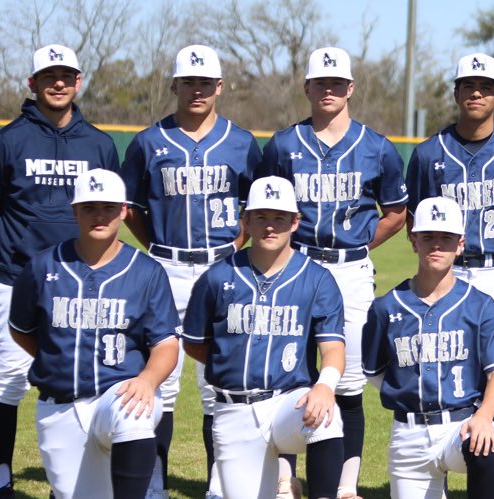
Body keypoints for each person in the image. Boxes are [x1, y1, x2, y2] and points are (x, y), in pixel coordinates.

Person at [0, 43, 120, 498]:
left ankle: (72, 484)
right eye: (48, 76)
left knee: (80, 380)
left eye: (66, 75)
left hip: (83, 284)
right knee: (11, 379)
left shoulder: (98, 143)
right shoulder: (6, 141)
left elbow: (112, 212)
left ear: (78, 82)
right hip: (17, 281)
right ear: (31, 84)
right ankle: (0, 480)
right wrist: (12, 254)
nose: (58, 82)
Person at [259, 47, 410, 498]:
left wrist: (362, 243)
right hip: (295, 266)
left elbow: (397, 212)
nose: (328, 90)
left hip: (349, 269)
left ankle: (345, 487)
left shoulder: (376, 146)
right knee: (286, 372)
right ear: (306, 87)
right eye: (320, 83)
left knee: (347, 382)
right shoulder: (284, 145)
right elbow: (267, 206)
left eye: (336, 83)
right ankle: (285, 477)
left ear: (350, 88)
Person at [118, 44, 262, 497]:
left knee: (218, 385)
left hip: (223, 269)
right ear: (174, 85)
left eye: (205, 82)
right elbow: (132, 209)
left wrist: (234, 248)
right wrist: (159, 250)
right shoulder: (147, 142)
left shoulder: (242, 143)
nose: (196, 90)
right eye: (188, 82)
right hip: (165, 266)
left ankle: (218, 484)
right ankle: (152, 484)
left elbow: (257, 210)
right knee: (159, 382)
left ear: (218, 86)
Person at [405, 53, 494, 481]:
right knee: (442, 375)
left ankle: (491, 485)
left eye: (485, 87)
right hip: (445, 275)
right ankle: (436, 475)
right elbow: (416, 222)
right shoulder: (430, 152)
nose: (476, 93)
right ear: (456, 93)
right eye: (468, 86)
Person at [7, 169, 180, 498]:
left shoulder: (146, 271)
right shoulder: (43, 267)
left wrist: (147, 380)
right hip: (60, 405)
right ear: (74, 211)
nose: (99, 216)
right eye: (89, 207)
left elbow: (166, 345)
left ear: (124, 211)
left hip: (120, 394)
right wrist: (58, 357)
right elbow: (23, 331)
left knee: (133, 413)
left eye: (108, 207)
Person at [180, 177, 346, 499]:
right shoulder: (217, 277)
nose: (271, 227)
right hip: (234, 410)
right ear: (246, 221)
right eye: (261, 217)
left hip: (288, 403)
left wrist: (325, 386)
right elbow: (194, 342)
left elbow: (333, 348)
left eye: (280, 217)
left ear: (295, 221)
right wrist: (231, 359)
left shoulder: (317, 279)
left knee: (328, 415)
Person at [362, 197, 494, 499]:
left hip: (461, 426)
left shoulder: (481, 306)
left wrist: (483, 417)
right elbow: (375, 371)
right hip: (409, 433)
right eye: (428, 237)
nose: (437, 246)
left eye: (446, 238)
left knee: (483, 445)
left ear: (460, 244)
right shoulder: (387, 307)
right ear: (414, 241)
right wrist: (408, 390)